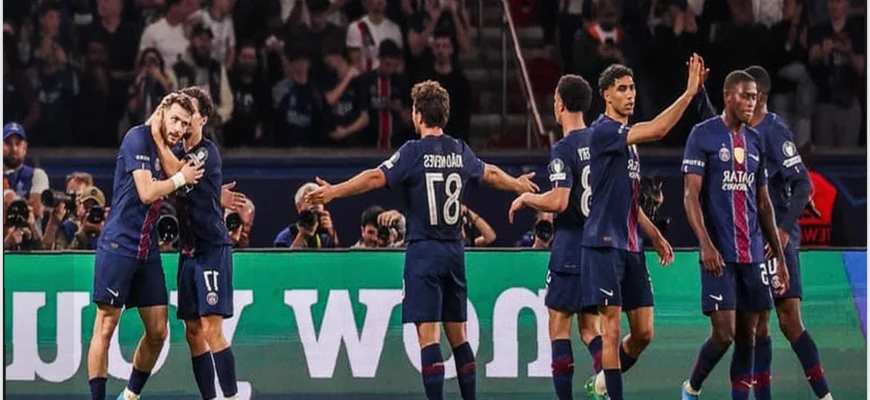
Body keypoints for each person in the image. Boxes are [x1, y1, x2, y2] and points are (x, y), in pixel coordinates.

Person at [305, 80, 538, 400]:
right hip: (454, 251)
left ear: (417, 114)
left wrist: (334, 191)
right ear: (445, 114)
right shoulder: (459, 149)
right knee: (459, 337)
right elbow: (491, 174)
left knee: (429, 338)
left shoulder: (413, 152)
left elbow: (375, 176)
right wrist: (517, 184)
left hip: (424, 250)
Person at [580, 56, 701, 400]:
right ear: (606, 95)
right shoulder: (605, 130)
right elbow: (659, 130)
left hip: (631, 245)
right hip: (604, 243)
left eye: (632, 88)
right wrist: (689, 94)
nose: (630, 94)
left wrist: (654, 234)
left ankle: (601, 383)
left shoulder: (628, 143)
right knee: (611, 329)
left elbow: (628, 199)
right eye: (622, 89)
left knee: (644, 332)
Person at [679, 70, 790, 400]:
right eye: (745, 96)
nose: (751, 102)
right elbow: (690, 196)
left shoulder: (755, 141)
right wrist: (705, 244)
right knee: (724, 333)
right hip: (719, 254)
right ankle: (692, 387)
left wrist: (779, 257)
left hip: (752, 254)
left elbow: (764, 204)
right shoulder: (703, 135)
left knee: (748, 335)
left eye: (755, 97)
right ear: (728, 96)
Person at [86, 92, 203, 400]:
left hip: (147, 249)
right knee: (106, 326)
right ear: (161, 112)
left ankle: (130, 396)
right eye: (175, 120)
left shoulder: (168, 147)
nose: (179, 129)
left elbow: (184, 177)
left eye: (185, 124)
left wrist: (182, 174)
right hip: (118, 244)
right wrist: (180, 178)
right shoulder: (136, 138)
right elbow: (148, 192)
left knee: (158, 332)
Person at [506, 74, 606, 399]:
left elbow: (560, 201)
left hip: (571, 248)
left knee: (559, 326)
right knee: (590, 329)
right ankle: (608, 383)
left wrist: (527, 198)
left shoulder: (564, 147)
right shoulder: (600, 142)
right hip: (599, 248)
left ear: (559, 104)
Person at [151, 87, 246, 400]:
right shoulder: (179, 152)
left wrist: (156, 136)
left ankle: (231, 397)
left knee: (211, 328)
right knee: (192, 331)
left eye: (189, 112)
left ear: (203, 119)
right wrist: (215, 192)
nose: (184, 119)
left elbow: (178, 174)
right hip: (188, 251)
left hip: (211, 249)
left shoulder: (206, 152)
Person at [743, 66, 832, 400]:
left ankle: (825, 395)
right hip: (751, 237)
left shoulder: (775, 131)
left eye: (747, 94)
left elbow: (803, 183)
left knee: (790, 320)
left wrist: (782, 231)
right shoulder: (740, 131)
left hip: (776, 238)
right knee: (758, 323)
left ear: (760, 96)